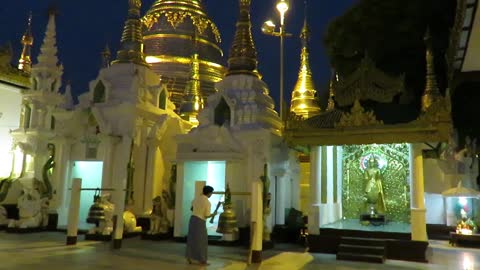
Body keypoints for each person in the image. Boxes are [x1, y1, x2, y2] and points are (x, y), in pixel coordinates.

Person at [186, 185, 217, 265]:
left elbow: (191, 208)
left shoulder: (196, 198)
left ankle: (190, 258)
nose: (211, 194)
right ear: (209, 193)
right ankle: (202, 260)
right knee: (202, 241)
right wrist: (213, 215)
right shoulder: (207, 202)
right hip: (200, 221)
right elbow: (206, 215)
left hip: (192, 219)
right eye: (211, 193)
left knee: (191, 239)